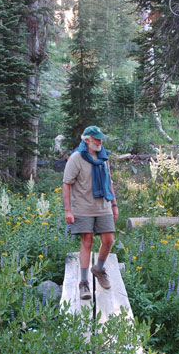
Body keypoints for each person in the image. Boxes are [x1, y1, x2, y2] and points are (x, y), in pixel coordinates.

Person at [62, 126, 119, 300]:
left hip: (103, 206)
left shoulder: (103, 157)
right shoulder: (76, 158)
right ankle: (84, 282)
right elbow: (66, 184)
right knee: (87, 242)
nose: (100, 142)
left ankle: (99, 269)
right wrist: (68, 210)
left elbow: (108, 181)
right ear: (87, 140)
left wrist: (114, 204)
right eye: (97, 139)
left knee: (108, 240)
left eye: (101, 139)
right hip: (82, 208)